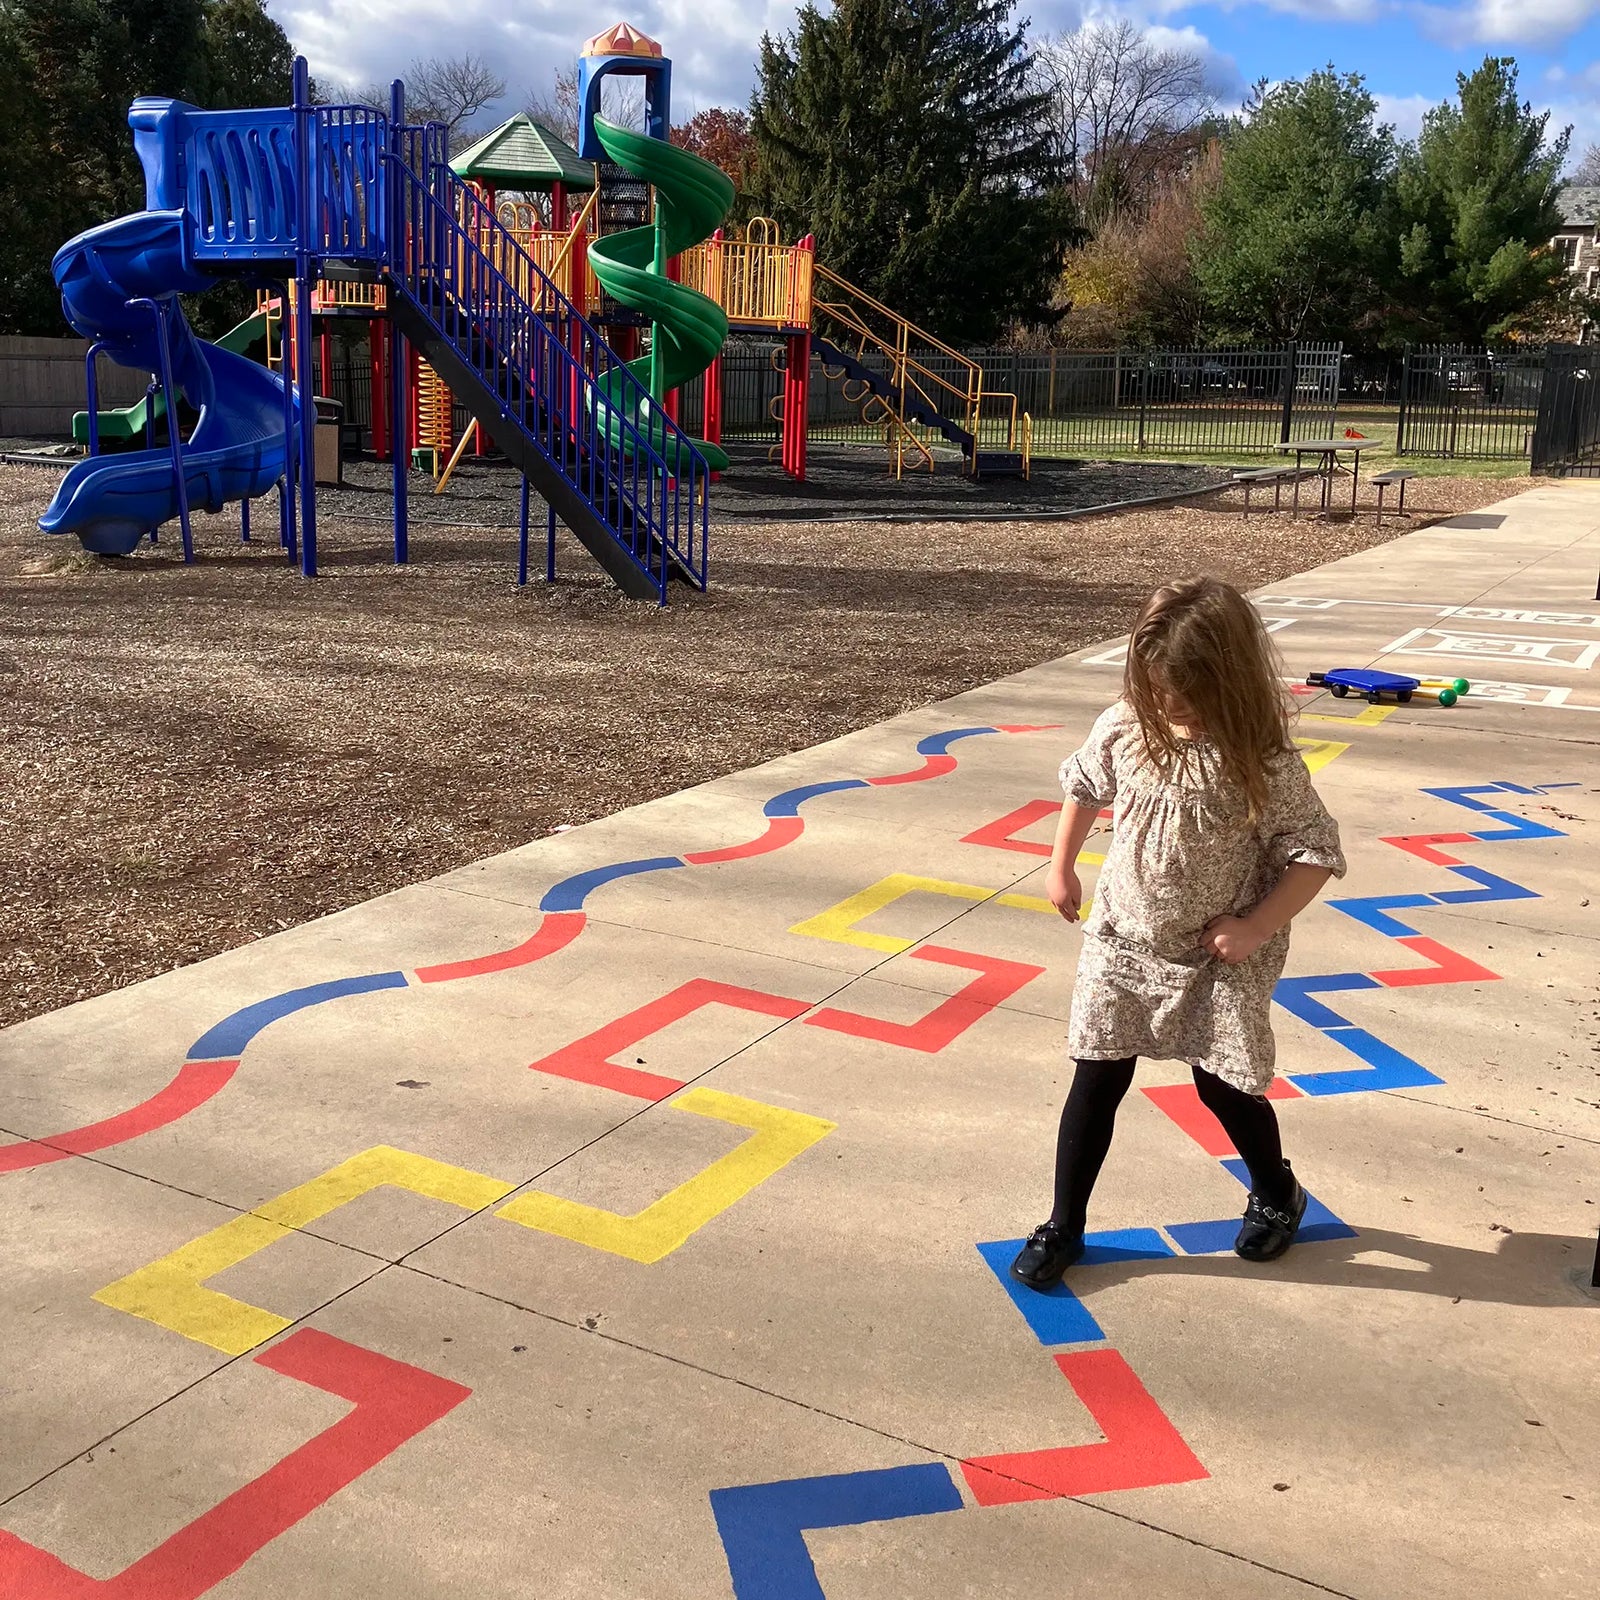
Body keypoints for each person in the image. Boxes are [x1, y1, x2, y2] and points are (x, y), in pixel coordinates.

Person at [1011, 577, 1346, 1290]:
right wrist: (1060, 867)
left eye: (1185, 695)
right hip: (1123, 938)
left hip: (1215, 957)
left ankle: (1277, 1191)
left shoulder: (1261, 760)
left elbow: (1316, 851)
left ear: (1228, 682)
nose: (1169, 707)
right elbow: (1083, 786)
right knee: (1097, 1077)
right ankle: (1063, 1224)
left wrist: (1257, 926)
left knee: (1223, 1087)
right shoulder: (1128, 725)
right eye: (1158, 689)